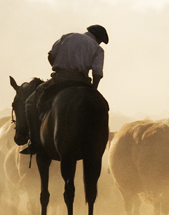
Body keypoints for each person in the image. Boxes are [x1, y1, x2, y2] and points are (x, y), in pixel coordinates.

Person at [19, 25, 108, 155]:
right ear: (98, 38)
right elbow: (97, 73)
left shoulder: (67, 37)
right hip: (81, 80)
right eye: (100, 40)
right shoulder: (97, 48)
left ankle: (34, 142)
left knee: (30, 103)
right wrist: (93, 90)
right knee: (104, 106)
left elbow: (51, 55)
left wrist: (57, 67)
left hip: (60, 78)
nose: (99, 43)